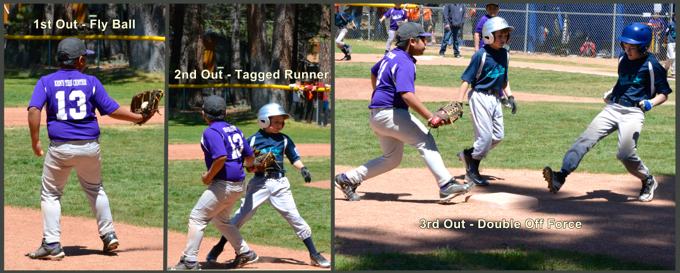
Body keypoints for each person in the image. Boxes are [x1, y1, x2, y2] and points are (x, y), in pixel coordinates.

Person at [27, 37, 152, 260]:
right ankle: (108, 234)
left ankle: (51, 244)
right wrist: (138, 118)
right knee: (95, 189)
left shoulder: (45, 81)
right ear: (81, 60)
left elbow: (34, 110)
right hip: (89, 148)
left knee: (51, 193)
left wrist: (35, 141)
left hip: (60, 149)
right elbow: (112, 110)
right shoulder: (91, 82)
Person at [334, 22, 474, 204]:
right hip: (390, 114)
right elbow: (407, 95)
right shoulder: (405, 62)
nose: (426, 43)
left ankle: (348, 179)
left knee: (392, 159)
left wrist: (377, 94)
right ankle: (446, 185)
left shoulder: (392, 55)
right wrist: (431, 117)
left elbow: (374, 71)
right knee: (425, 139)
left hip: (377, 115)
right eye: (423, 39)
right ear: (412, 41)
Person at [543, 23, 673, 202]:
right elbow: (623, 81)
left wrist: (651, 103)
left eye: (632, 48)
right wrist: (612, 91)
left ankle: (648, 180)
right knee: (585, 139)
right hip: (613, 107)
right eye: (625, 46)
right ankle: (561, 176)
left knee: (625, 154)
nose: (627, 51)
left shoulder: (652, 65)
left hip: (634, 112)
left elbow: (664, 94)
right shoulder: (622, 59)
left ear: (644, 47)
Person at [205, 103, 331, 268]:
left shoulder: (285, 139)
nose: (280, 125)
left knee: (294, 216)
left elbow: (294, 158)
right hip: (259, 183)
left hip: (280, 184)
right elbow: (244, 162)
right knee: (242, 215)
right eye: (276, 121)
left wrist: (303, 168)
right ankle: (218, 247)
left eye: (282, 122)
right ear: (264, 121)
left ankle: (314, 253)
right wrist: (252, 165)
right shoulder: (254, 139)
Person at [169, 96, 258, 270]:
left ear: (204, 114)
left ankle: (189, 261)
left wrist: (208, 176)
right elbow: (249, 155)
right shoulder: (235, 129)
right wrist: (251, 168)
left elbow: (221, 157)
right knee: (221, 219)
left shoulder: (210, 132)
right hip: (239, 185)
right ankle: (245, 252)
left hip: (223, 185)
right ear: (226, 113)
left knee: (197, 217)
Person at [455, 17, 517, 186]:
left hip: (495, 98)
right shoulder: (480, 55)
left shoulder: (505, 54)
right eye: (500, 35)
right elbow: (466, 80)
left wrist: (510, 97)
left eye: (506, 35)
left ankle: (469, 154)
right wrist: (458, 103)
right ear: (488, 36)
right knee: (485, 137)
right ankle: (472, 170)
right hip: (479, 96)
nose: (503, 39)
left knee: (498, 136)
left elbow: (504, 79)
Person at [664, 12, 675, 77]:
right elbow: (666, 34)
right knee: (672, 57)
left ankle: (673, 73)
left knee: (676, 58)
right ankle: (666, 68)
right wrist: (665, 43)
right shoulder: (671, 24)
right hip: (670, 42)